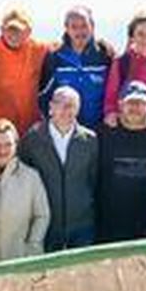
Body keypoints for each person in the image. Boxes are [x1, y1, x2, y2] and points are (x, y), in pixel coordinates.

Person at [96, 84, 146, 242]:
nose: (135, 108)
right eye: (130, 103)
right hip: (109, 226)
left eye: (140, 103)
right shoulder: (103, 133)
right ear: (120, 104)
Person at [19, 88, 98, 251]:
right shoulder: (32, 139)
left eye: (72, 106)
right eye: (61, 105)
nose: (67, 110)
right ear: (50, 107)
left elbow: (94, 179)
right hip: (45, 224)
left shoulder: (90, 140)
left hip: (81, 224)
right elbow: (25, 180)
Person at [0, 121, 49, 263]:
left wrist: (32, 246)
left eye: (8, 144)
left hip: (20, 258)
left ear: (15, 146)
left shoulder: (30, 176)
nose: (3, 150)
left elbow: (42, 215)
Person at [37, 5, 117, 128]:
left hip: (100, 131)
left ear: (92, 26)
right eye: (74, 27)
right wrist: (52, 125)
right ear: (67, 29)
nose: (80, 31)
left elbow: (115, 90)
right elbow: (43, 96)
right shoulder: (55, 57)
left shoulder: (105, 55)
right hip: (65, 132)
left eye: (84, 26)